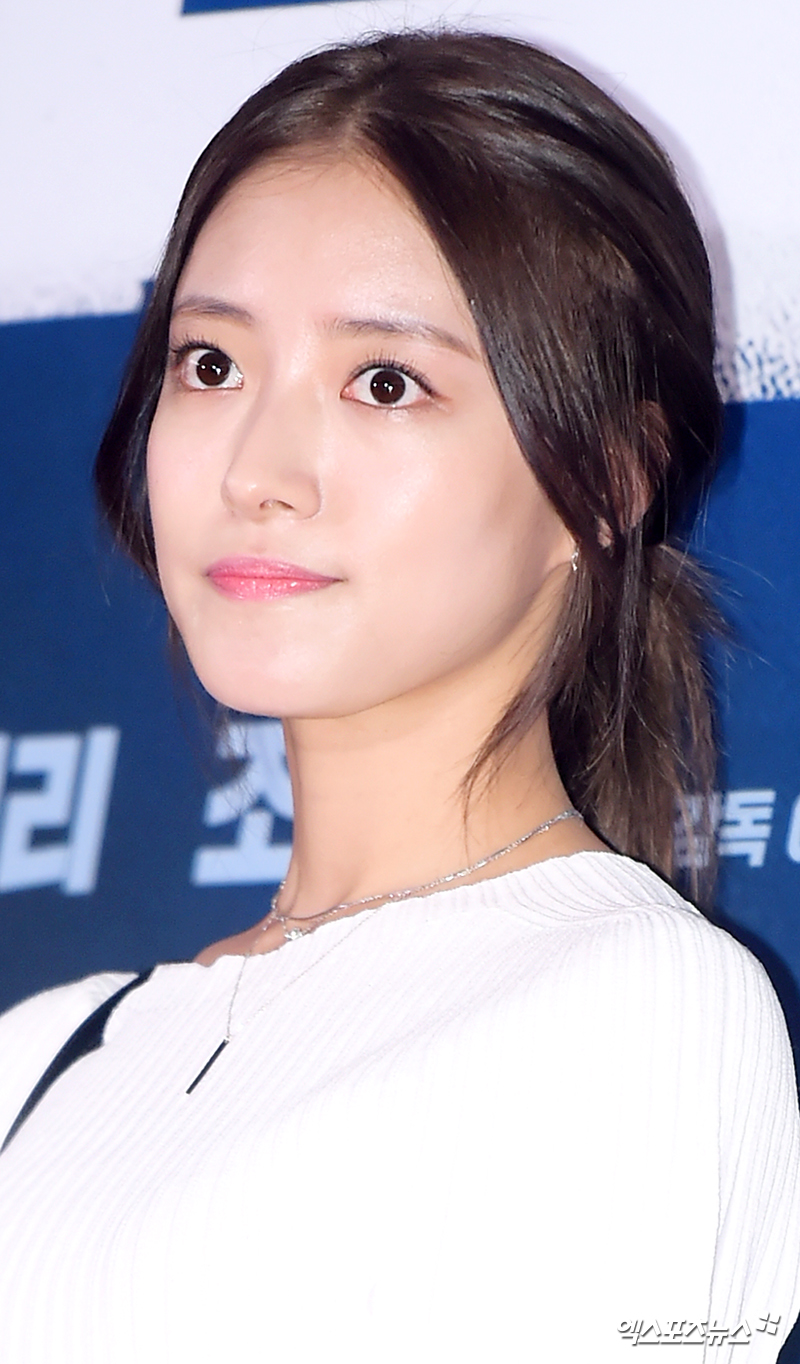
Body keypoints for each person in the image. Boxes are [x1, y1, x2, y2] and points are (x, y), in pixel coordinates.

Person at [0, 29, 797, 1364]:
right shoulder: (42, 1054)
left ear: (605, 481)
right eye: (211, 364)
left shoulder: (634, 1005)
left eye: (384, 382)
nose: (258, 470)